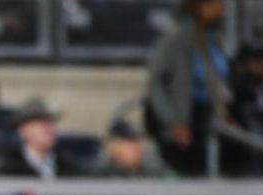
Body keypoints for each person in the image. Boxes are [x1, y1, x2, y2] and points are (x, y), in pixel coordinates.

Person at [145, 0, 230, 175]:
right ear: (199, 6)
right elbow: (156, 84)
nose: (222, 9)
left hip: (207, 117)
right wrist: (173, 121)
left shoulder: (213, 39)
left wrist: (222, 112)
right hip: (182, 118)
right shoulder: (176, 39)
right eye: (215, 4)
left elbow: (215, 80)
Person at [0, 98, 83, 180]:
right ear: (24, 130)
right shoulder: (8, 169)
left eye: (50, 123)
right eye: (41, 124)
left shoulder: (69, 167)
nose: (48, 129)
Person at [94, 120, 170, 178]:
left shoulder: (153, 174)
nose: (137, 148)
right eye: (130, 142)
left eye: (138, 142)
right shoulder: (98, 177)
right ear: (113, 146)